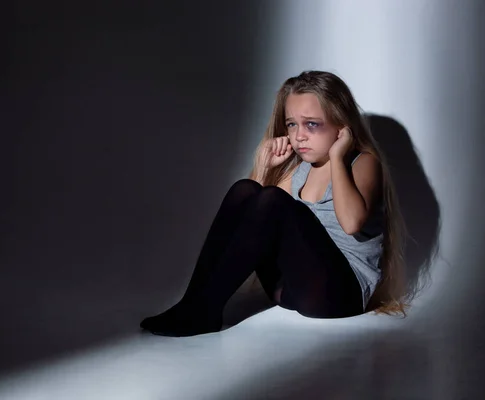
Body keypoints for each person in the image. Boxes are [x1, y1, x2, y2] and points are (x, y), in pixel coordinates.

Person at [140, 70, 407, 337]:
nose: (299, 136)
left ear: (341, 126)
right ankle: (193, 305)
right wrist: (262, 169)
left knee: (273, 199)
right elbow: (252, 227)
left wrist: (337, 158)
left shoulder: (362, 163)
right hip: (292, 291)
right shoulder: (301, 169)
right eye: (292, 124)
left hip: (339, 296)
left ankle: (201, 311)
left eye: (311, 124)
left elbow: (351, 223)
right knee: (245, 189)